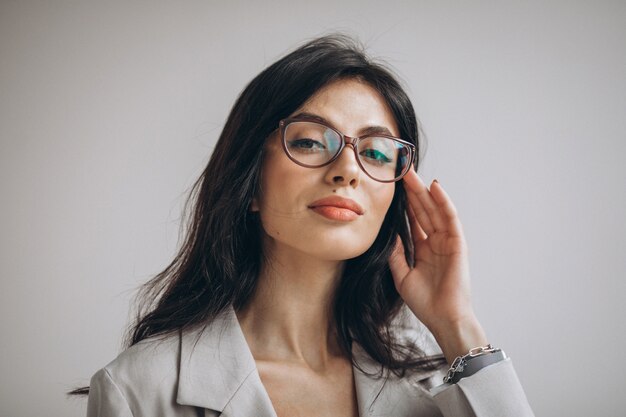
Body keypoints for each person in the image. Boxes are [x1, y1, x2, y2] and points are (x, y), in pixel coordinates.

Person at [82, 35, 534, 416]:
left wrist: (456, 324)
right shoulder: (138, 389)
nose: (348, 170)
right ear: (250, 181)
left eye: (376, 152)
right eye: (311, 141)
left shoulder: (438, 389)